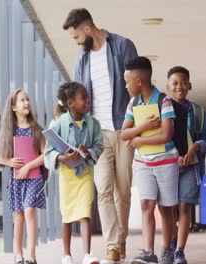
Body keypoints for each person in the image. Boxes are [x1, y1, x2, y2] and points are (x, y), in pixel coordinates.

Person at [63, 8, 138, 263]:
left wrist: (135, 126)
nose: (75, 43)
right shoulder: (80, 61)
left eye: (75, 37)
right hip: (97, 133)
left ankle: (121, 239)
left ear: (86, 29)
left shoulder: (123, 46)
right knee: (103, 190)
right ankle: (112, 246)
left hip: (124, 129)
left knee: (123, 191)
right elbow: (76, 100)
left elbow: (136, 89)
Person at [121, 56, 179, 264]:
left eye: (127, 82)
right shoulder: (133, 103)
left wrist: (136, 139)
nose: (125, 86)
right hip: (143, 163)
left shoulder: (164, 101)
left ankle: (166, 250)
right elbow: (124, 134)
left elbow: (166, 135)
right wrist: (141, 129)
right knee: (146, 203)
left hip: (166, 162)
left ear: (138, 82)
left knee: (166, 208)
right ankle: (148, 252)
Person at [44, 82, 104, 264]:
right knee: (68, 214)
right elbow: (48, 152)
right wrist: (63, 157)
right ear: (70, 103)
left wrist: (88, 152)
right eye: (83, 98)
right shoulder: (58, 124)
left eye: (87, 97)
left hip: (85, 172)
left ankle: (87, 255)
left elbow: (99, 146)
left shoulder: (93, 124)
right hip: (67, 176)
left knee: (85, 212)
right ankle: (67, 255)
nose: (88, 100)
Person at [165, 66, 206, 264]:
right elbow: (160, 138)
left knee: (185, 208)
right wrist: (174, 156)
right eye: (175, 83)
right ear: (168, 86)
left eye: (183, 82)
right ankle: (172, 243)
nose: (179, 87)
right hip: (169, 167)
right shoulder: (163, 110)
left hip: (191, 167)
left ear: (189, 85)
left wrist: (193, 149)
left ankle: (179, 252)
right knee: (171, 209)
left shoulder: (198, 111)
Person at [0, 89, 46, 264]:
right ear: (13, 107)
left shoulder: (36, 129)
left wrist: (29, 166)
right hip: (16, 178)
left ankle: (31, 256)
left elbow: (45, 154)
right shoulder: (9, 130)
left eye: (27, 99)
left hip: (34, 177)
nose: (26, 103)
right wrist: (10, 162)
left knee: (29, 211)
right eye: (22, 100)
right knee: (19, 216)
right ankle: (18, 254)